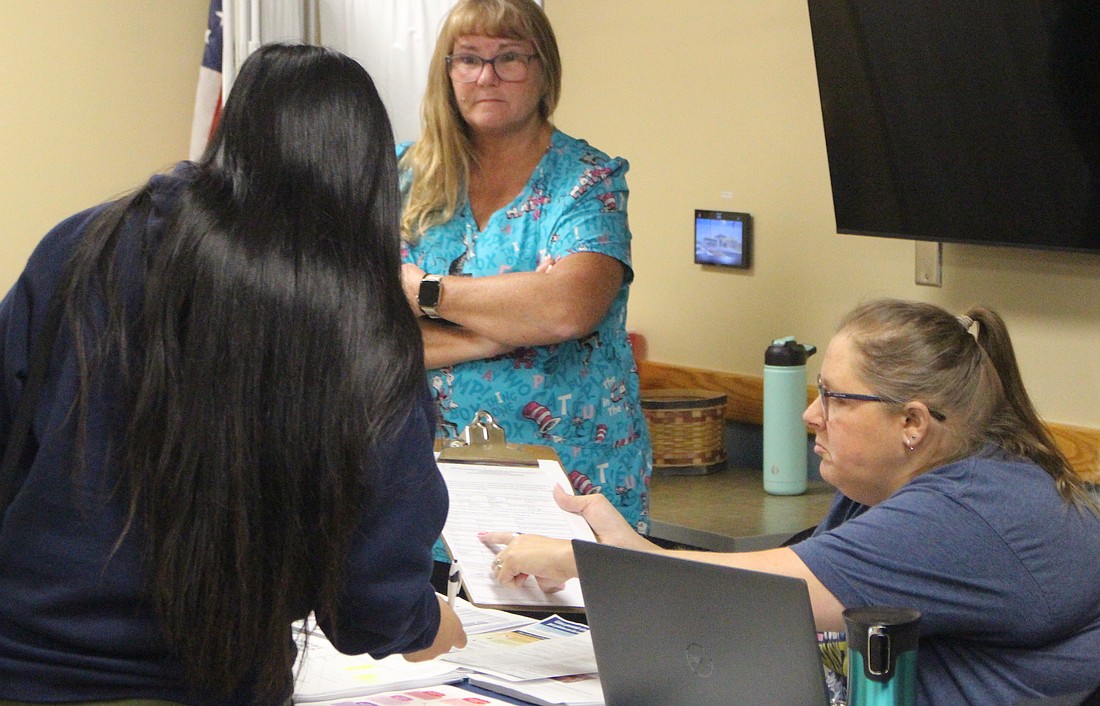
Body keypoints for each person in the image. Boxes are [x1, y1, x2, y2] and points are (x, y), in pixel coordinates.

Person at [0, 44, 465, 706]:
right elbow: (370, 596)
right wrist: (427, 621)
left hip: (22, 659)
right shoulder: (354, 318)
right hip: (203, 681)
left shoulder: (86, 245)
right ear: (364, 177)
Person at [483, 299, 1100, 705]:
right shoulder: (904, 484)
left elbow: (761, 602)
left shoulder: (968, 513)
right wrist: (630, 551)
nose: (811, 415)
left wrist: (578, 561)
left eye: (833, 396)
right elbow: (762, 589)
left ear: (912, 421)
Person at [396, 0, 653, 571]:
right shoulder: (399, 179)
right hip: (424, 499)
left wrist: (423, 293)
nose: (487, 75)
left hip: (570, 497)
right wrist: (504, 329)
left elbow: (566, 309)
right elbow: (366, 336)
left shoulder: (587, 181)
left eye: (508, 57)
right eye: (469, 59)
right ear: (447, 71)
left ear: (543, 71)